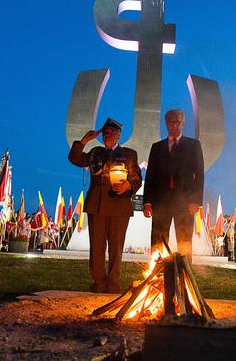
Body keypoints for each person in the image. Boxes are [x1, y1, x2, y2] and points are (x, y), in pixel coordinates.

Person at [68, 118, 141, 293]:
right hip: (97, 205)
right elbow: (75, 159)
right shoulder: (95, 152)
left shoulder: (129, 154)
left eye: (111, 133)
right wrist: (84, 140)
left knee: (116, 247)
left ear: (118, 135)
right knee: (97, 246)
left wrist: (129, 185)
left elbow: (136, 176)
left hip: (118, 205)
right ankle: (99, 282)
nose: (107, 135)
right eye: (105, 133)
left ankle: (113, 283)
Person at [143, 109, 204, 264]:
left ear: (182, 123)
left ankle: (185, 276)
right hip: (161, 202)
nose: (174, 125)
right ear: (166, 123)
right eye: (171, 122)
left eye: (177, 122)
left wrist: (196, 201)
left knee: (185, 240)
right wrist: (147, 202)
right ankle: (156, 273)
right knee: (158, 238)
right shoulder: (157, 147)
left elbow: (199, 175)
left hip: (185, 202)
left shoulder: (193, 145)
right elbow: (150, 176)